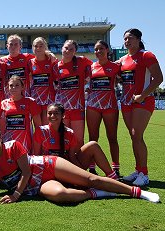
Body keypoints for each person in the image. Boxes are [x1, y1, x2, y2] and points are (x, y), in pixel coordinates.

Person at [0, 126, 160, 204]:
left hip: (47, 166)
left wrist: (15, 195)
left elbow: (26, 172)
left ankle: (137, 192)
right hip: (35, 186)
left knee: (91, 178)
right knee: (60, 195)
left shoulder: (14, 146)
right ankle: (96, 194)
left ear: (1, 138)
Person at [118, 28, 163, 186]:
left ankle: (144, 173)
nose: (127, 41)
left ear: (138, 39)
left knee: (137, 135)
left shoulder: (146, 55)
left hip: (143, 101)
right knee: (133, 136)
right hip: (126, 102)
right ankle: (138, 170)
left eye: (130, 38)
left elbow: (158, 78)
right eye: (125, 39)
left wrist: (142, 95)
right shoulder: (123, 59)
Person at [33, 103, 118, 179]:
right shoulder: (41, 131)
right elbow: (36, 156)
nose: (52, 116)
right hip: (49, 169)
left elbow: (72, 157)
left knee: (93, 145)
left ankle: (113, 177)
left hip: (68, 169)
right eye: (50, 113)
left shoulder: (69, 132)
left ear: (63, 115)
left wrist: (81, 172)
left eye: (56, 113)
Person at [86, 40, 120, 176]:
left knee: (112, 137)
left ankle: (116, 168)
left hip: (110, 106)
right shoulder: (91, 67)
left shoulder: (116, 66)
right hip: (93, 106)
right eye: (96, 49)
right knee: (93, 138)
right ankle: (92, 167)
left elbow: (125, 79)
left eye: (101, 49)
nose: (98, 51)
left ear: (107, 50)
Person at [53, 40, 93, 148]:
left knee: (79, 139)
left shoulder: (82, 61)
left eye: (71, 49)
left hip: (77, 108)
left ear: (75, 52)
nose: (68, 51)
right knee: (64, 139)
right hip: (63, 109)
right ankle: (66, 163)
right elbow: (55, 85)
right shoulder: (56, 67)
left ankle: (80, 164)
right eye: (66, 48)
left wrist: (88, 81)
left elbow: (94, 67)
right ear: (62, 48)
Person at [1, 76, 42, 152]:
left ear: (22, 87)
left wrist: (35, 145)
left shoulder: (30, 102)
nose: (13, 88)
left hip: (25, 142)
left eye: (17, 85)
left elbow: (38, 126)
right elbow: (1, 126)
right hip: (8, 141)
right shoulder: (4, 103)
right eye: (11, 86)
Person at [28, 37, 58, 124]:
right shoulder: (30, 62)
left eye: (41, 46)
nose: (38, 48)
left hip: (48, 99)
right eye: (35, 46)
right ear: (32, 48)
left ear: (45, 47)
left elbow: (57, 79)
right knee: (38, 127)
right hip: (35, 99)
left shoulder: (52, 61)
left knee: (46, 127)